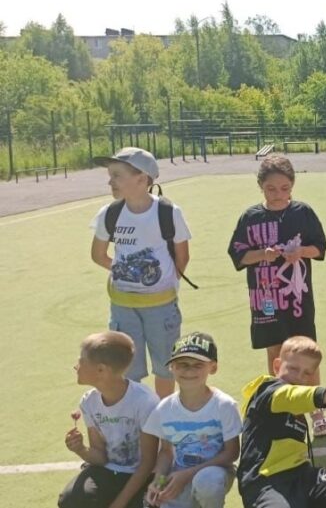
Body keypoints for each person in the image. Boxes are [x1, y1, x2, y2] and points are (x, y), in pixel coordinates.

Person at [227, 154, 326, 436]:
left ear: (292, 186)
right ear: (261, 186)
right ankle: (283, 407)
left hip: (297, 298)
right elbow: (239, 255)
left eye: (285, 188)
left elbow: (320, 247)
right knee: (276, 351)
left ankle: (317, 410)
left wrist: (300, 252)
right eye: (271, 189)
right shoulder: (250, 218)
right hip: (265, 298)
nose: (278, 194)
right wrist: (264, 254)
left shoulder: (302, 212)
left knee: (307, 351)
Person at [91, 147, 192, 399]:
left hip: (162, 307)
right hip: (123, 307)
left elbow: (182, 256)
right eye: (110, 175)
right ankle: (135, 416)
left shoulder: (169, 212)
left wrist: (165, 282)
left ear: (142, 178)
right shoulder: (109, 214)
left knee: (165, 367)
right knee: (127, 370)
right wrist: (124, 271)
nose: (110, 182)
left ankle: (162, 413)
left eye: (117, 175)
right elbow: (98, 255)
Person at [237, 336, 326, 508]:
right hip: (265, 481)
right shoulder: (267, 392)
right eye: (293, 368)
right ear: (277, 366)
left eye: (307, 373)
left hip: (300, 476)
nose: (298, 377)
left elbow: (299, 398)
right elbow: (292, 396)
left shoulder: (298, 404)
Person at [59, 331, 160, 508]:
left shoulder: (145, 402)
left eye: (81, 361)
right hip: (109, 472)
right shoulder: (88, 402)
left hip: (144, 476)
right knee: (70, 500)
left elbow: (148, 463)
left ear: (101, 370)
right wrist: (81, 449)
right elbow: (101, 457)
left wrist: (118, 504)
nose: (76, 366)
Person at [142, 333, 241, 508]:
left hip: (214, 473)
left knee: (207, 482)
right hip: (178, 475)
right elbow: (166, 452)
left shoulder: (224, 405)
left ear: (213, 367)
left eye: (198, 365)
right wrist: (158, 481)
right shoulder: (164, 408)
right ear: (171, 367)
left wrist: (187, 475)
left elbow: (231, 453)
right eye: (182, 365)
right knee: (155, 500)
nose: (189, 371)